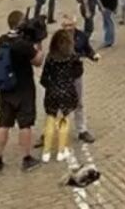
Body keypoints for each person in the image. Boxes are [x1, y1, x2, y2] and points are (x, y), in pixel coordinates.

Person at [0, 10, 44, 173]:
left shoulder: (3, 40)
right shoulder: (23, 44)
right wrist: (39, 43)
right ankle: (26, 158)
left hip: (6, 88)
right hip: (23, 87)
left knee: (4, 124)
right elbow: (38, 61)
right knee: (25, 124)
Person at [39, 28, 83, 163]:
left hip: (52, 91)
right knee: (64, 120)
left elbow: (44, 77)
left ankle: (46, 152)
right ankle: (61, 150)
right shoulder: (72, 57)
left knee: (50, 119)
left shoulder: (50, 57)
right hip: (67, 91)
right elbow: (78, 73)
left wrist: (50, 86)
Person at [59, 15, 99, 144]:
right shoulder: (59, 38)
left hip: (76, 74)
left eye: (70, 25)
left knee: (79, 103)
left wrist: (93, 56)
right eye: (65, 26)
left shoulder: (81, 36)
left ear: (75, 25)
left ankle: (82, 130)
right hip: (62, 76)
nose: (68, 28)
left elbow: (87, 49)